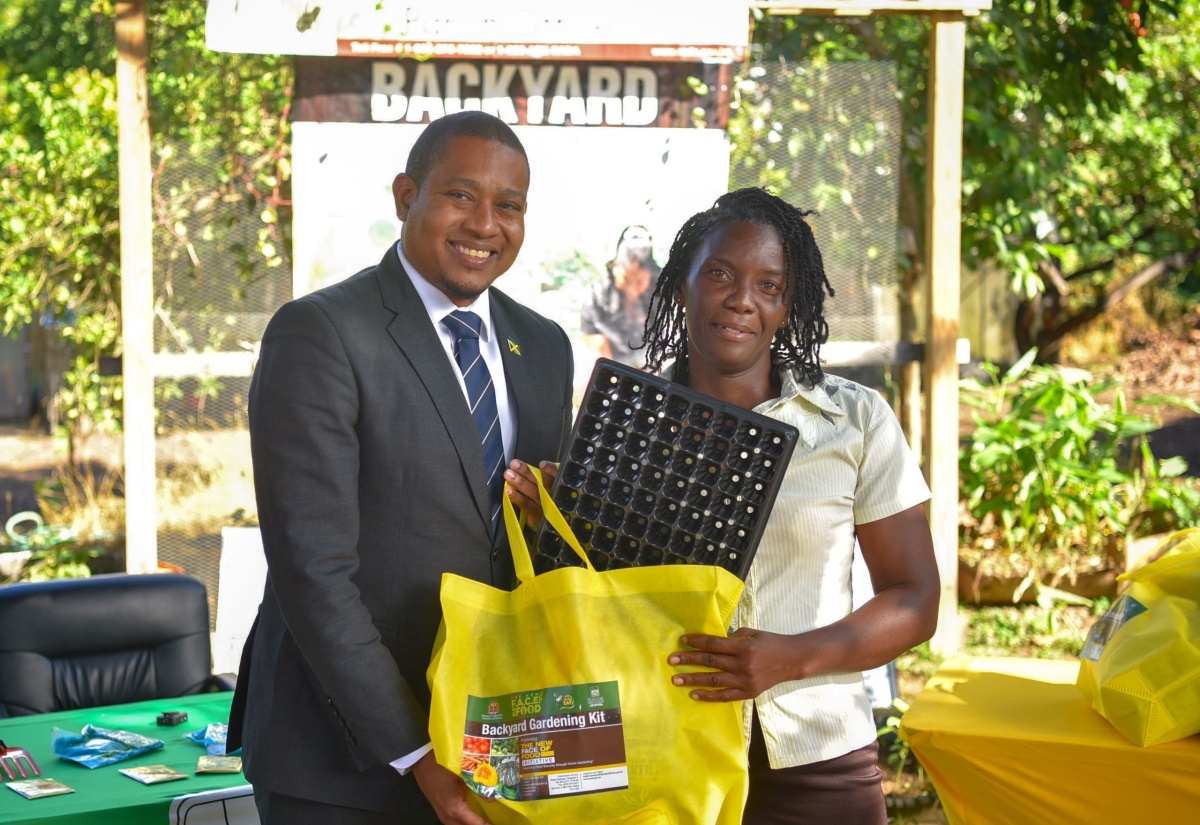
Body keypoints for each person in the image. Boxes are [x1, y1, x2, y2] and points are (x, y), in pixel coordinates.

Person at [227, 111, 575, 825]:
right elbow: (312, 572)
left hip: (491, 748)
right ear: (404, 195)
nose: (485, 223)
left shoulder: (542, 346)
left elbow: (531, 560)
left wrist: (556, 514)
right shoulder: (322, 332)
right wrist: (419, 755)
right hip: (341, 763)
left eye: (509, 206)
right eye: (460, 195)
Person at [645, 187, 939, 824]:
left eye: (769, 285)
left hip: (819, 759)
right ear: (680, 286)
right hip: (662, 754)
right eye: (719, 273)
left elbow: (915, 600)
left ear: (788, 305)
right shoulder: (633, 423)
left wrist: (791, 657)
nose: (741, 299)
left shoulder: (853, 420)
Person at [580, 224, 661, 365]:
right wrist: (612, 368)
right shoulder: (597, 295)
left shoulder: (661, 296)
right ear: (613, 268)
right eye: (625, 280)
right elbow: (591, 335)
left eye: (640, 281)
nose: (632, 289)